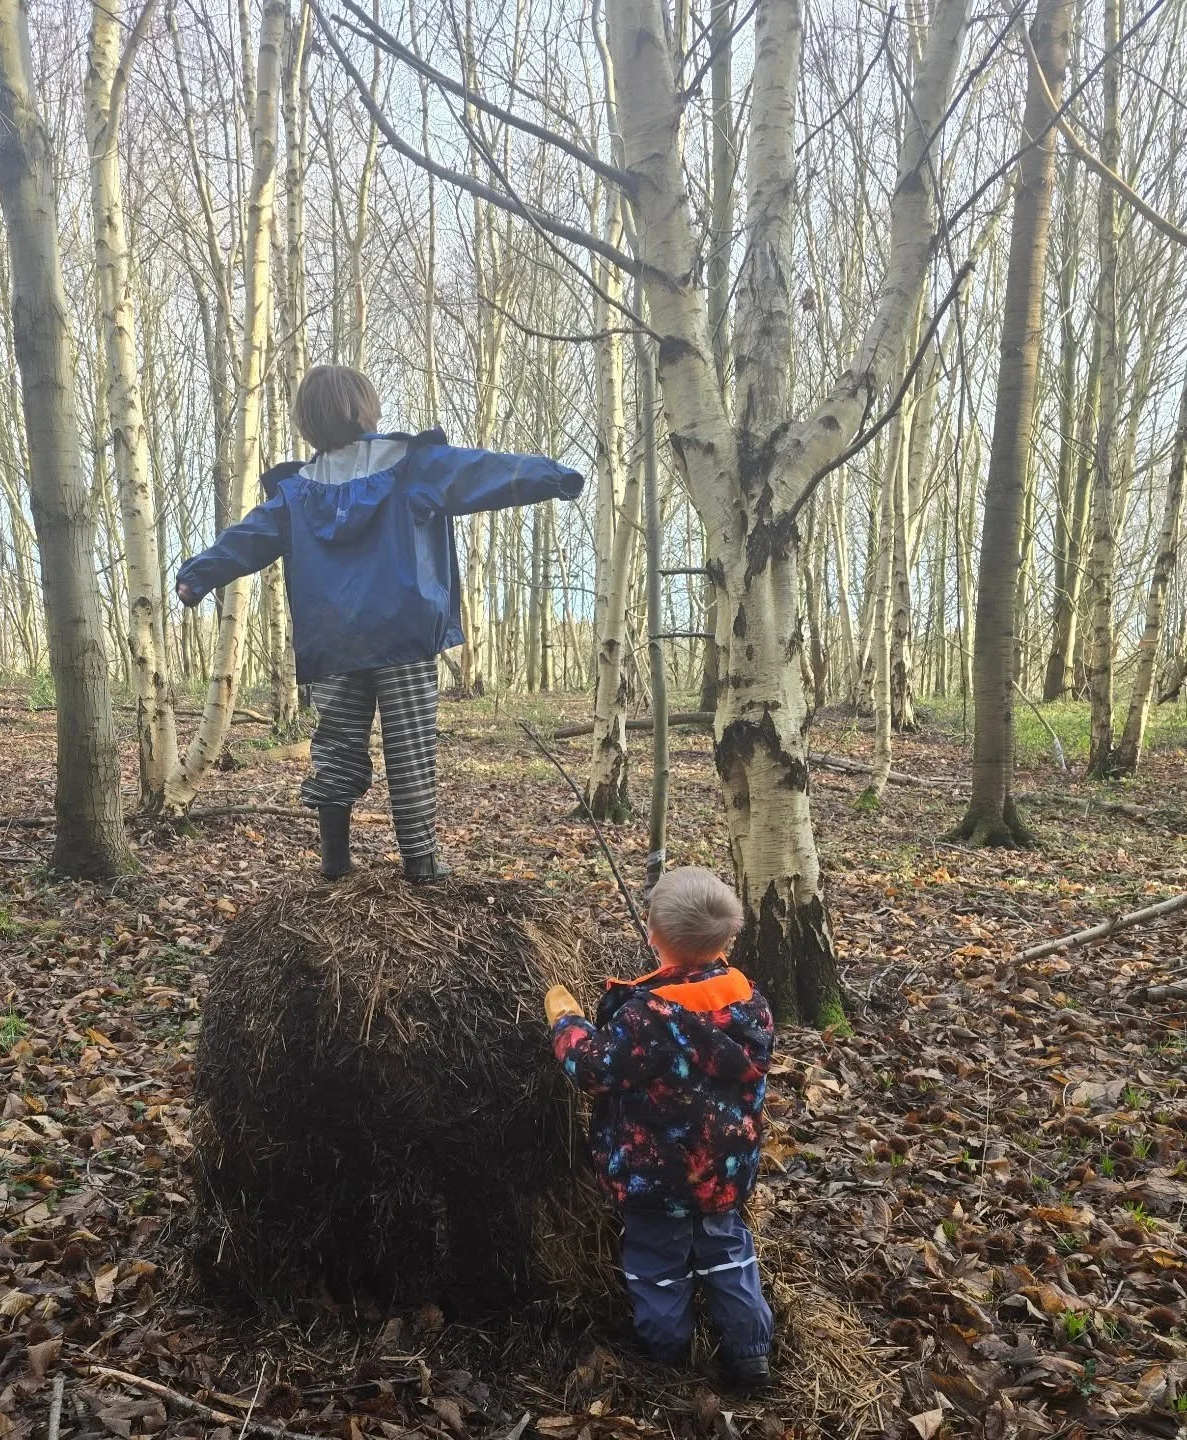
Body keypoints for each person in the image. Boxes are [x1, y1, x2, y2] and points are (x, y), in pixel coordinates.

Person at [176, 366, 583, 883]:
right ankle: (421, 862)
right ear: (365, 409)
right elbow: (484, 471)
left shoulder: (296, 493)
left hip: (333, 643)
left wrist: (197, 577)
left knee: (337, 746)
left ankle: (335, 862)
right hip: (403, 636)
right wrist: (554, 476)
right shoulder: (413, 466)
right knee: (408, 745)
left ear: (308, 422)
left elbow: (246, 539)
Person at [543, 868, 775, 1388]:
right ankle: (750, 1355)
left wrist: (567, 1023)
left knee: (656, 1262)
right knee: (728, 1255)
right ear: (728, 939)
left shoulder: (646, 1015)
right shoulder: (750, 1001)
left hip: (655, 1178)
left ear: (652, 933)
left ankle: (666, 1356)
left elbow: (593, 1068)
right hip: (724, 1171)